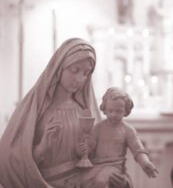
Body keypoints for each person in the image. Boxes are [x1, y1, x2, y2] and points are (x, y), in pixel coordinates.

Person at [0, 38, 129, 188]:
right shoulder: (37, 111)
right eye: (75, 70)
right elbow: (11, 160)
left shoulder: (85, 111)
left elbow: (102, 159)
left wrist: (119, 179)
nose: (80, 78)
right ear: (59, 68)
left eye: (86, 73)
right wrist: (42, 147)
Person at [81, 87, 158, 188]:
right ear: (104, 109)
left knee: (100, 181)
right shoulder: (98, 128)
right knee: (82, 181)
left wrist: (145, 163)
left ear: (125, 111)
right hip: (97, 165)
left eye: (119, 111)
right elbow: (90, 145)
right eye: (111, 110)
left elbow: (138, 150)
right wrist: (84, 148)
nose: (114, 114)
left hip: (114, 167)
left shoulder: (127, 130)